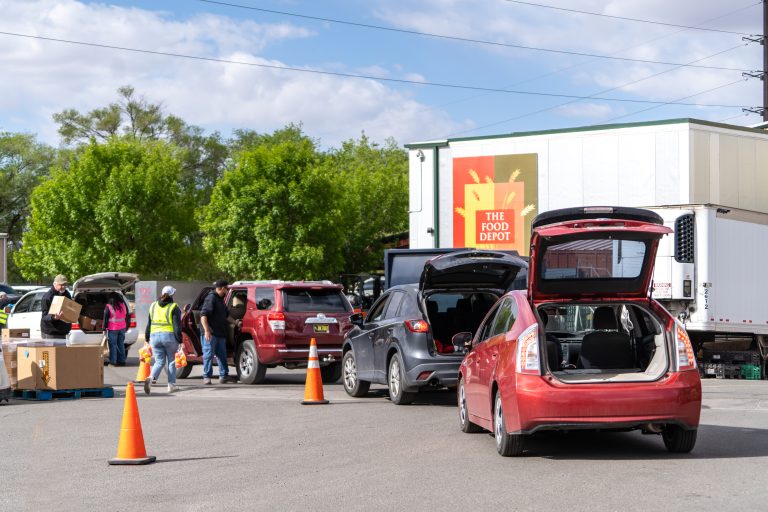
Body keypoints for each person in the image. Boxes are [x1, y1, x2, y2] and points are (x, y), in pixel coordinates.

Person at [143, 285, 182, 394]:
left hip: (154, 337)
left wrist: (146, 338)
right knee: (171, 362)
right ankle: (171, 385)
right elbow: (177, 326)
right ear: (172, 295)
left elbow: (149, 323)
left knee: (159, 361)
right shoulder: (174, 307)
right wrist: (180, 340)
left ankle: (151, 378)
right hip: (169, 337)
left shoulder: (153, 305)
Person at [200, 279, 236, 385]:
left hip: (220, 333)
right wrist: (207, 331)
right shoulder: (211, 298)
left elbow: (226, 316)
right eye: (227, 288)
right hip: (211, 333)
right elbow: (203, 316)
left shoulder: (220, 300)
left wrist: (236, 323)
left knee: (222, 355)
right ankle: (207, 377)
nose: (227, 290)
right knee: (208, 355)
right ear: (223, 288)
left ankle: (224, 376)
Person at [40, 275, 73, 339]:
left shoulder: (67, 294)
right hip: (51, 332)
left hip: (64, 331)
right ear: (54, 284)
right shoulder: (47, 297)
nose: (63, 287)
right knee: (53, 346)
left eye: (65, 284)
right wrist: (54, 317)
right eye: (61, 285)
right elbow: (44, 316)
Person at [103, 292, 128, 367]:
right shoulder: (123, 305)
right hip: (122, 328)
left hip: (113, 329)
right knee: (121, 344)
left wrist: (104, 329)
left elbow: (105, 319)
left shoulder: (109, 306)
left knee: (113, 345)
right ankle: (122, 361)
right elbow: (126, 314)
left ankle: (113, 362)